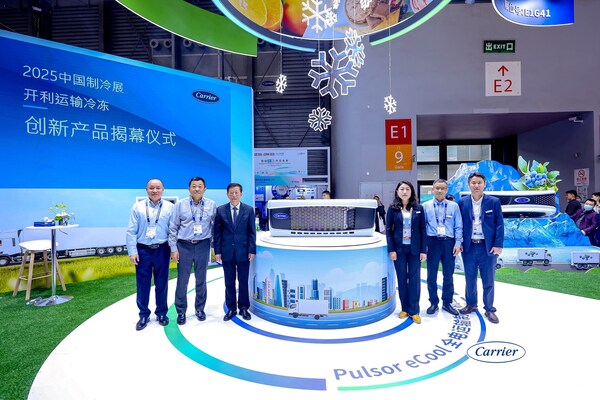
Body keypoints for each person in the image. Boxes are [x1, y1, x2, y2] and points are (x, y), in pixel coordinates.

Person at [126, 178, 175, 331]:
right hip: (143, 250)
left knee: (162, 284)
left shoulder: (170, 207)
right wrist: (132, 251)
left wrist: (173, 249)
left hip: (162, 249)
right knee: (142, 284)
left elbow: (173, 230)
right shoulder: (138, 207)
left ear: (163, 190)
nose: (155, 191)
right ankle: (143, 315)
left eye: (158, 188)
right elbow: (131, 231)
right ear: (146, 190)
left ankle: (161, 313)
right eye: (151, 188)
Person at [169, 177, 217, 325]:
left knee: (201, 279)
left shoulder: (211, 204)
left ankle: (200, 309)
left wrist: (214, 246)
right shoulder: (180, 204)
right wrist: (173, 248)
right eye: (194, 186)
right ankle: (181, 311)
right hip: (184, 246)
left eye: (200, 186)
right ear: (189, 188)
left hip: (203, 245)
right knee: (182, 280)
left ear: (205, 189)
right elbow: (173, 227)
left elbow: (214, 226)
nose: (197, 189)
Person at [458, 172, 504, 324]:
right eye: (473, 183)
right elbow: (459, 224)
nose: (476, 185)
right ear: (469, 184)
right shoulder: (462, 202)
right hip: (469, 246)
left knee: (488, 279)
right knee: (470, 278)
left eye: (479, 183)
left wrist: (498, 244)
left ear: (484, 184)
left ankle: (489, 308)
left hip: (487, 247)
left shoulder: (493, 202)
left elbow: (499, 224)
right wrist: (459, 243)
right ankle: (471, 304)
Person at [213, 183, 257, 321]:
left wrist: (251, 249)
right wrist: (217, 251)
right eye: (231, 193)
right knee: (229, 281)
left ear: (241, 194)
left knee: (243, 281)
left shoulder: (249, 210)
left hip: (243, 252)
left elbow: (252, 232)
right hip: (227, 252)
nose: (234, 195)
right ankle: (231, 308)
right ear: (227, 194)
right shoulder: (220, 210)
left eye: (236, 192)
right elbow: (217, 233)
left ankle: (244, 308)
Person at [385, 181, 427, 324]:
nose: (404, 192)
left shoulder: (419, 208)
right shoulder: (392, 209)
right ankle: (404, 308)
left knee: (414, 279)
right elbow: (388, 230)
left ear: (411, 192)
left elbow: (423, 230)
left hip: (415, 249)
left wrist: (423, 250)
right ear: (397, 191)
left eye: (407, 189)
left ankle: (414, 310)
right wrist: (391, 249)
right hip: (399, 250)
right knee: (402, 278)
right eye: (402, 189)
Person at [422, 179, 463, 316]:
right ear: (433, 189)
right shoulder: (425, 206)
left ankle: (447, 302)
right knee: (431, 275)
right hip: (432, 242)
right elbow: (423, 227)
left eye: (442, 188)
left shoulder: (454, 206)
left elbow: (458, 225)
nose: (439, 190)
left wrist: (458, 243)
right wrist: (424, 244)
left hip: (449, 243)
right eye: (437, 188)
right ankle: (433, 302)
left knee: (448, 274)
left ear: (446, 190)